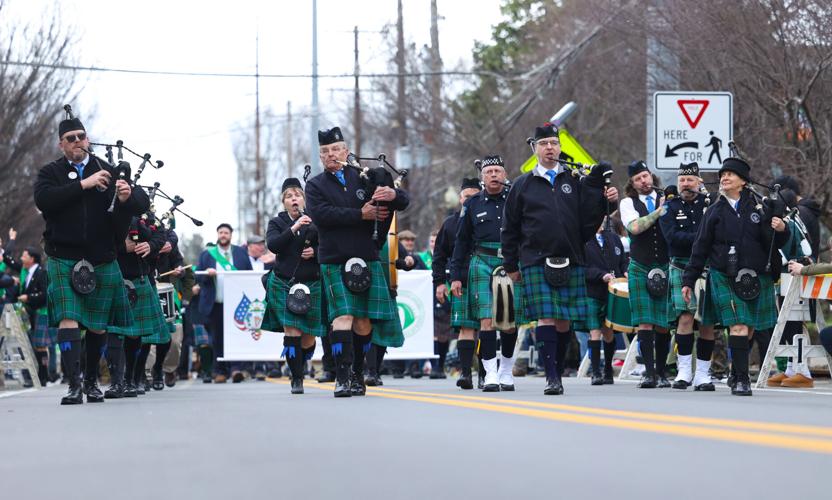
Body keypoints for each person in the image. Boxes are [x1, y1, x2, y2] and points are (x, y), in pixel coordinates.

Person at [33, 110, 149, 405]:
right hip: (63, 255)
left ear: (89, 139)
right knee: (68, 319)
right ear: (61, 145)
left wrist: (125, 197)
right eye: (69, 139)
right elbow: (44, 200)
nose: (77, 142)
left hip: (101, 257)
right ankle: (73, 386)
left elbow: (140, 203)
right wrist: (84, 185)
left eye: (81, 137)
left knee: (97, 324)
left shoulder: (107, 169)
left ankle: (90, 381)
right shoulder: (52, 173)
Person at [502, 123, 617, 395]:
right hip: (535, 260)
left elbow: (590, 217)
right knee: (546, 318)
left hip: (571, 259)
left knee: (564, 321)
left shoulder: (574, 182)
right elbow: (510, 227)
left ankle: (557, 370)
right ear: (535, 148)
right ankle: (552, 377)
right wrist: (510, 264)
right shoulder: (522, 185)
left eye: (554, 143)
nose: (549, 148)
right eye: (544, 144)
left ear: (560, 147)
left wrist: (607, 201)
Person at [305, 126, 409, 397]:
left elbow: (402, 201)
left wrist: (394, 195)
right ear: (320, 157)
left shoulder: (364, 178)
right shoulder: (315, 185)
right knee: (343, 317)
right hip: (334, 259)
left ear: (346, 152)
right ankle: (341, 376)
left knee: (363, 323)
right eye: (325, 152)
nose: (331, 155)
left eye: (335, 150)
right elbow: (321, 215)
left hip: (366, 256)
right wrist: (359, 215)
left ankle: (359, 373)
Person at [682, 156, 790, 396]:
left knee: (749, 328)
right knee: (739, 325)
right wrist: (689, 279)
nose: (725, 178)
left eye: (730, 174)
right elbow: (699, 248)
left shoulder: (760, 208)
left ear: (743, 181)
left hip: (757, 274)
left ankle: (734, 372)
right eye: (722, 175)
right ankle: (742, 379)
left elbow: (776, 241)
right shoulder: (714, 212)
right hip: (725, 275)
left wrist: (782, 228)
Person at [262, 177, 324, 395]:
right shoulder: (277, 223)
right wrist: (295, 226)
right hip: (285, 282)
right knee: (292, 330)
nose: (294, 198)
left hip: (312, 282)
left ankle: (301, 361)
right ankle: (296, 378)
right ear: (284, 202)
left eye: (297, 194)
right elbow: (274, 245)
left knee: (308, 337)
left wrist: (315, 253)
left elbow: (329, 244)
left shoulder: (316, 220)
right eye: (289, 196)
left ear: (304, 198)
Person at [659, 162, 718, 391]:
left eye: (690, 180)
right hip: (681, 266)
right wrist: (703, 238)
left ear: (698, 181)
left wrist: (698, 239)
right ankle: (684, 372)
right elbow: (672, 237)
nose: (685, 184)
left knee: (707, 321)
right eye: (682, 180)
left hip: (707, 267)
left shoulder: (710, 205)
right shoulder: (669, 207)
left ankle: (703, 373)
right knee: (684, 318)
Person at [619, 160, 671, 389]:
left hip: (665, 265)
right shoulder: (627, 203)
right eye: (638, 178)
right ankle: (649, 373)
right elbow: (635, 228)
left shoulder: (668, 198)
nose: (644, 181)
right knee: (645, 323)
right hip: (640, 266)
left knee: (664, 323)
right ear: (632, 182)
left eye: (646, 176)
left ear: (652, 176)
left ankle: (662, 371)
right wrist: (659, 212)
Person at [108, 211, 170, 397]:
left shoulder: (139, 218)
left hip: (138, 279)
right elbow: (91, 242)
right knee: (112, 332)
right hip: (111, 278)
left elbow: (162, 234)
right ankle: (115, 382)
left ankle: (130, 379)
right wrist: (120, 247)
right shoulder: (104, 214)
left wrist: (150, 245)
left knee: (134, 336)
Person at [433, 178, 482, 387]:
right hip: (460, 280)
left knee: (487, 328)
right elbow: (439, 256)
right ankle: (465, 374)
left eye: (475, 196)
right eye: (466, 197)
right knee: (466, 328)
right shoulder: (450, 224)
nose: (470, 200)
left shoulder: (486, 219)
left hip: (486, 277)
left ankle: (486, 374)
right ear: (460, 199)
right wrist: (440, 282)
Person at [196, 223, 253, 383]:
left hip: (237, 304)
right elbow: (198, 278)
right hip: (216, 304)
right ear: (217, 234)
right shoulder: (207, 255)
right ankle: (219, 371)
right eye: (220, 232)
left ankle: (236, 369)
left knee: (237, 335)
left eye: (226, 232)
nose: (223, 235)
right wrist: (208, 275)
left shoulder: (241, 253)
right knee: (217, 338)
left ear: (230, 235)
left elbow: (249, 275)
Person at [578, 219, 628, 385]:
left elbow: (623, 261)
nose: (600, 222)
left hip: (612, 293)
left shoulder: (613, 238)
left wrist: (625, 272)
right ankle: (595, 371)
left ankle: (607, 369)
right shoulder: (582, 239)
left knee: (608, 331)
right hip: (592, 291)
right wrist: (601, 275)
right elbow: (580, 267)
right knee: (595, 331)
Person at [3, 239, 50, 386]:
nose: (21, 258)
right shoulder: (24, 270)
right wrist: (11, 240)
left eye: (24, 255)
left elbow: (45, 294)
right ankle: (33, 376)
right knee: (28, 344)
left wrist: (28, 297)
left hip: (40, 312)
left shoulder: (42, 273)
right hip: (26, 313)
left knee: (40, 345)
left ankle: (43, 376)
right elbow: (7, 260)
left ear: (32, 258)